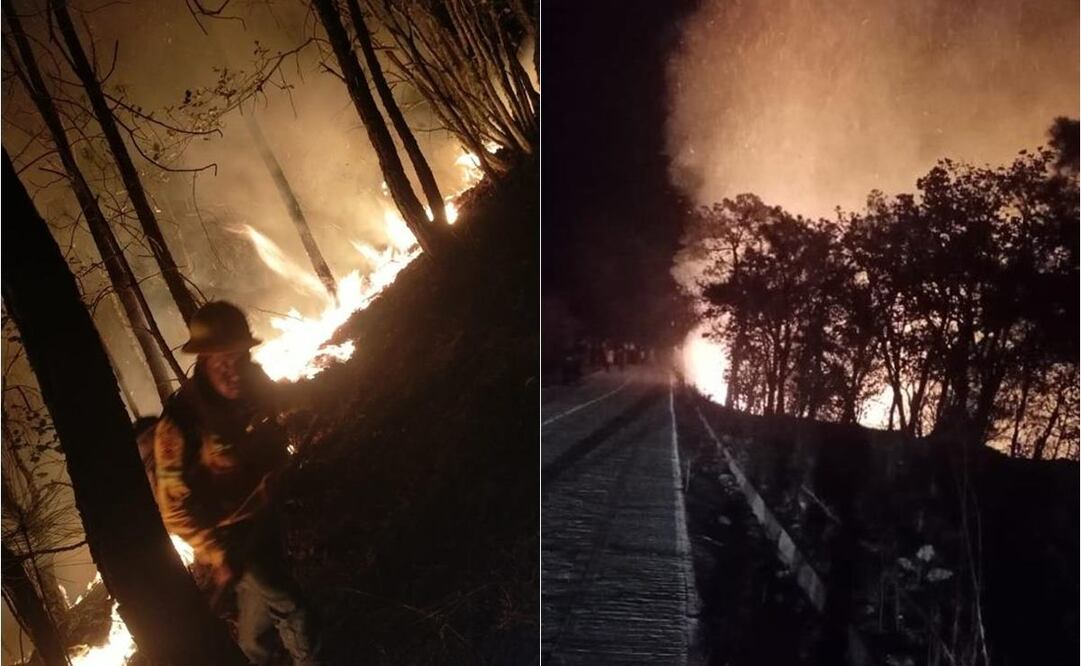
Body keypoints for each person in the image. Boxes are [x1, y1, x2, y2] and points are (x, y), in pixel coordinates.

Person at [153, 301, 319, 665]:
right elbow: (173, 509)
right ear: (203, 363)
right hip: (230, 536)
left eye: (239, 358)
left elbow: (278, 405)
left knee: (257, 623)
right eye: (221, 364)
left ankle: (253, 657)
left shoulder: (255, 380)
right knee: (291, 605)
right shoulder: (181, 424)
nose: (234, 373)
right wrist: (215, 551)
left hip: (264, 513)